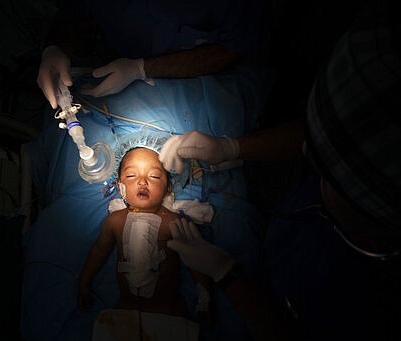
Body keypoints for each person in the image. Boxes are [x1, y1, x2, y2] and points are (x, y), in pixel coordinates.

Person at [159, 1, 401, 340]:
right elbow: (318, 139)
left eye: (325, 172)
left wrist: (228, 276)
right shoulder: (359, 149)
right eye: (314, 149)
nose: (311, 162)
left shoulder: (365, 302)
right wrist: (234, 147)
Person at [77, 146, 216, 340]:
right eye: (132, 176)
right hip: (126, 310)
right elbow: (98, 252)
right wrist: (84, 280)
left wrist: (204, 296)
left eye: (154, 177)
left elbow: (195, 262)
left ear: (168, 188)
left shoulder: (172, 222)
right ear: (120, 187)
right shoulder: (114, 222)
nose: (142, 181)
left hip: (169, 312)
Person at [37, 0, 265, 109]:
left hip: (207, 83)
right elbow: (75, 12)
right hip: (127, 80)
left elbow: (233, 48)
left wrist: (141, 69)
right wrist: (55, 48)